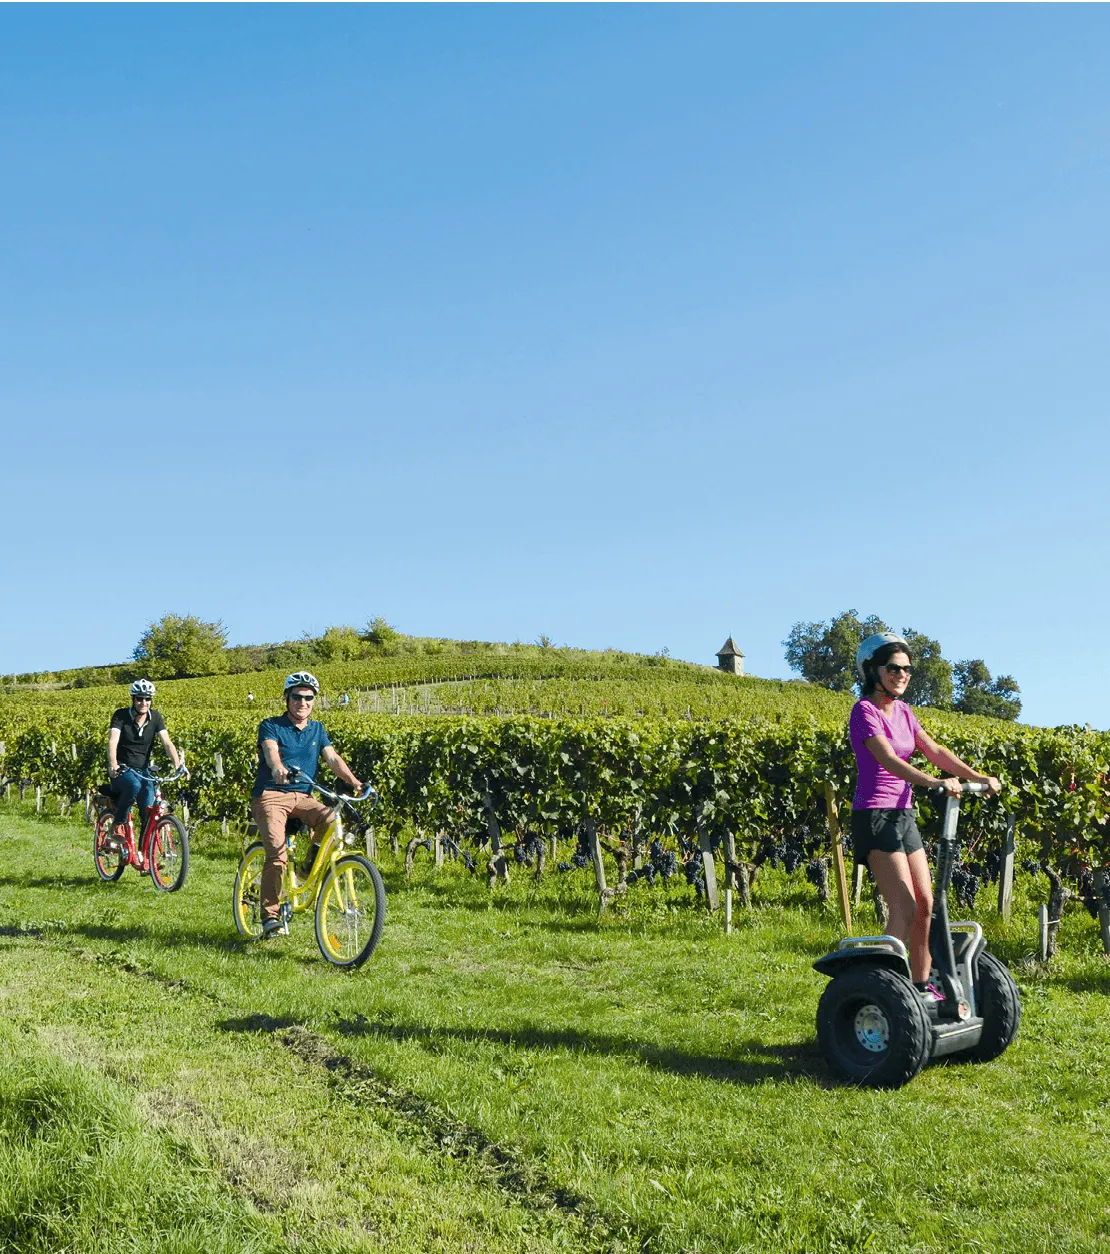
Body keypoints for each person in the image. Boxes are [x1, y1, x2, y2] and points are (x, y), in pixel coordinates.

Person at [849, 633, 1001, 998]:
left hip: (903, 815)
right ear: (873, 670)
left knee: (927, 906)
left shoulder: (904, 712)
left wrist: (976, 778)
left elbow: (933, 749)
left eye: (907, 669)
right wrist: (934, 782)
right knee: (903, 906)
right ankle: (881, 988)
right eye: (893, 668)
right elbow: (887, 759)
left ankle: (920, 986)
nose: (902, 674)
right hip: (874, 814)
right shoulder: (864, 711)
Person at [250, 671, 363, 938]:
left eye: (309, 698)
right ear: (287, 699)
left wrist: (356, 783)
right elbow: (271, 751)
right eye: (297, 697)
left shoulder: (317, 729)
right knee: (277, 856)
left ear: (314, 701)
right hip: (271, 795)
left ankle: (308, 867)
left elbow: (332, 759)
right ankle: (270, 916)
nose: (303, 702)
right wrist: (277, 768)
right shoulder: (271, 725)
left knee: (331, 819)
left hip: (303, 797)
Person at [107, 679, 187, 843]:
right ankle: (118, 824)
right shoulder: (121, 715)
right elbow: (112, 740)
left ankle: (145, 857)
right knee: (133, 786)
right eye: (139, 698)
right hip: (123, 768)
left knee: (148, 812)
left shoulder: (156, 717)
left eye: (147, 699)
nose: (144, 702)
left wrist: (178, 764)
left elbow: (167, 742)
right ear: (133, 699)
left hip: (143, 770)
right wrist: (113, 764)